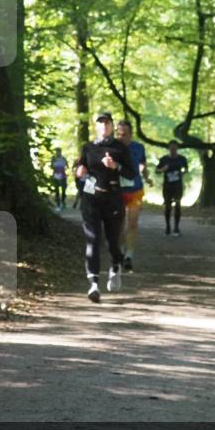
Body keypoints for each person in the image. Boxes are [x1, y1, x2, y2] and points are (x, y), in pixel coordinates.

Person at [75, 112, 135, 302]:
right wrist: (79, 171)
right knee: (92, 240)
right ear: (96, 126)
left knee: (112, 242)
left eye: (106, 123)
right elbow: (80, 168)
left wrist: (115, 166)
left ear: (111, 126)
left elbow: (132, 173)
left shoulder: (120, 148)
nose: (103, 126)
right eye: (100, 123)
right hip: (91, 198)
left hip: (112, 198)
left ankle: (115, 266)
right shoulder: (88, 147)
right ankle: (93, 284)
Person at [116, 120, 150, 272]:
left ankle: (129, 255)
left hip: (135, 189)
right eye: (119, 133)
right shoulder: (113, 147)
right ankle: (121, 252)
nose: (121, 137)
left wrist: (146, 175)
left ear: (131, 134)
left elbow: (143, 164)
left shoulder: (138, 148)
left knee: (133, 223)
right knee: (120, 224)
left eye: (124, 134)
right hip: (117, 191)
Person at [156, 140, 188, 236]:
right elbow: (157, 170)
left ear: (177, 148)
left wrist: (182, 173)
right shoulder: (164, 159)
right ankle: (168, 227)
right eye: (171, 147)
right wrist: (163, 169)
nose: (173, 149)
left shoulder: (182, 159)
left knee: (178, 204)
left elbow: (186, 168)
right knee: (168, 206)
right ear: (168, 148)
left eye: (175, 147)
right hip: (167, 185)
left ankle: (176, 228)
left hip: (177, 185)